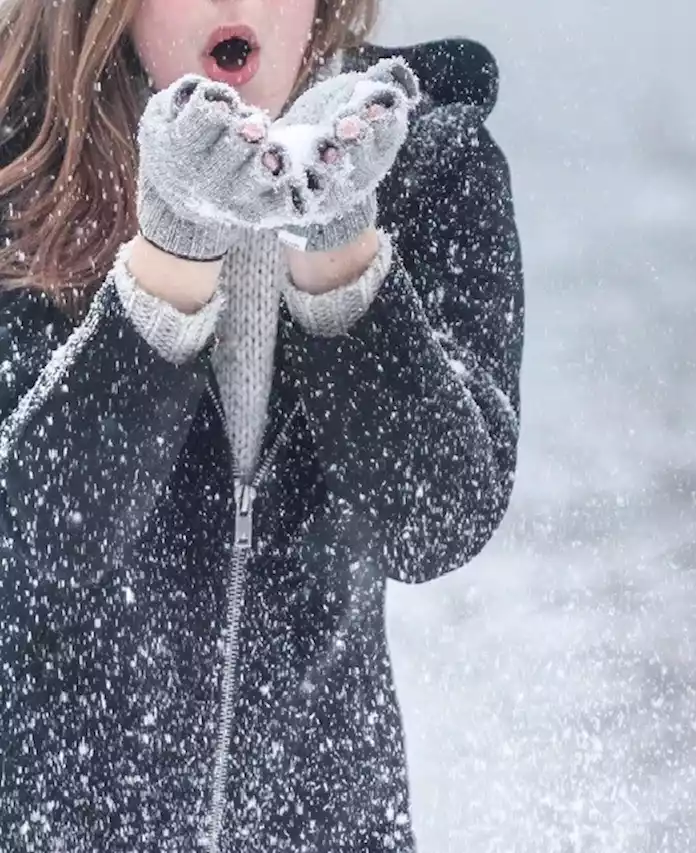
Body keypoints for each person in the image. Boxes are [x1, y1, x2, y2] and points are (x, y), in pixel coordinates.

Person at [0, 0, 524, 850]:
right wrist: (173, 252)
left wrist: (339, 248)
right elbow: (33, 540)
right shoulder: (20, 167)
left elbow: (436, 521)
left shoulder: (430, 164)